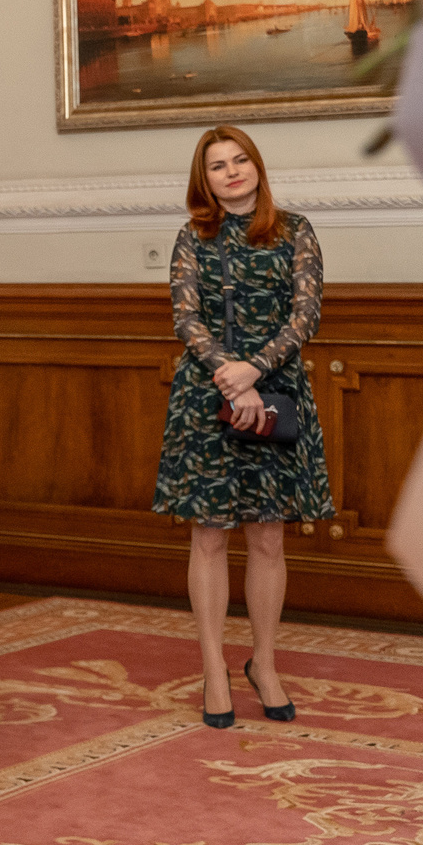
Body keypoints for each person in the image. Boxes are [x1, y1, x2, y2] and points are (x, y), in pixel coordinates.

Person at [150, 125, 325, 727]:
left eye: (240, 159)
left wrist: (254, 370)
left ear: (256, 166)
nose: (231, 171)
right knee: (209, 536)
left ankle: (265, 663)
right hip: (208, 396)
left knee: (269, 538)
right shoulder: (192, 237)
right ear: (206, 180)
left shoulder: (295, 231)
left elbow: (307, 314)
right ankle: (213, 669)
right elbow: (185, 316)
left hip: (274, 391)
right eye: (218, 165)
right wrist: (230, 373)